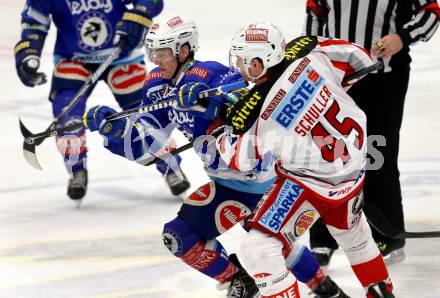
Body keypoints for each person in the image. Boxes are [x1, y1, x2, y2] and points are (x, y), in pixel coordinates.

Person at [84, 16, 349, 298]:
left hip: (269, 180)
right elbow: (150, 148)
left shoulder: (213, 74)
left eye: (161, 53)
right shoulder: (155, 86)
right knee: (179, 237)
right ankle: (242, 280)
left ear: (184, 50)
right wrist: (116, 131)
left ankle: (325, 288)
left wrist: (207, 101)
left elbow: (255, 107)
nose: (155, 60)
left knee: (275, 245)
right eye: (152, 52)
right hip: (228, 185)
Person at [212, 21, 396, 297]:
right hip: (354, 166)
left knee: (258, 249)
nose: (238, 66)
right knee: (354, 236)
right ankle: (381, 291)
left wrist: (218, 126)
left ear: (260, 62)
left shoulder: (259, 111)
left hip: (309, 183)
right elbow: (359, 58)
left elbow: (239, 158)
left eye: (242, 61)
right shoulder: (308, 51)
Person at [14, 0, 190, 207]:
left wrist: (141, 13)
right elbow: (34, 20)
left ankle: (168, 164)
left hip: (122, 55)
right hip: (73, 58)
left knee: (143, 112)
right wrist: (28, 52)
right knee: (67, 110)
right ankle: (76, 168)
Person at [304, 0, 440, 265]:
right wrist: (311, 52)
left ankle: (387, 234)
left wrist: (402, 37)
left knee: (378, 153)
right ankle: (323, 237)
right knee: (327, 153)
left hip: (384, 76)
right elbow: (315, 11)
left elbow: (431, 11)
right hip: (334, 74)